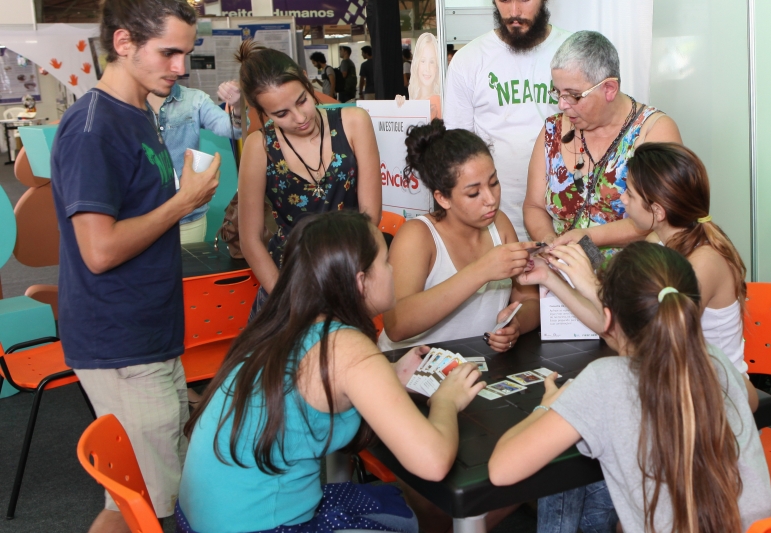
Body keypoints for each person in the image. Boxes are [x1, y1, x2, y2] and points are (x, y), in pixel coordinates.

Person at [176, 210, 485, 533]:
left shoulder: (284, 324)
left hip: (204, 521)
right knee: (408, 513)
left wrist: (388, 376)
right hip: (260, 527)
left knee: (398, 507)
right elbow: (433, 462)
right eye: (386, 262)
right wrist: (447, 400)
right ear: (360, 281)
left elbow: (311, 387)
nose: (393, 270)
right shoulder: (346, 347)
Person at [49, 0, 221, 531]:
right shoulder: (93, 128)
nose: (180, 68)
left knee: (131, 498)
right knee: (153, 505)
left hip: (146, 332)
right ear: (124, 44)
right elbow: (98, 251)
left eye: (185, 53)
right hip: (118, 340)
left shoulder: (137, 110)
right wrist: (183, 202)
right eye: (168, 53)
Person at [489, 242, 771, 532]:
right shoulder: (712, 359)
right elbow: (751, 400)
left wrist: (549, 405)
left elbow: (501, 470)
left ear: (607, 318)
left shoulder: (603, 380)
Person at [525, 143, 760, 411]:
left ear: (658, 211)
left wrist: (591, 284)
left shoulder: (704, 262)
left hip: (718, 394)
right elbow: (612, 326)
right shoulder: (656, 241)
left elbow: (647, 341)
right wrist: (549, 278)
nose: (622, 199)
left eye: (630, 194)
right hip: (673, 380)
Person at [236, 41, 381, 319]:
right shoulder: (260, 146)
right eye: (281, 114)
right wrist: (288, 300)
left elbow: (370, 215)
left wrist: (345, 279)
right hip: (286, 282)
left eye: (302, 100)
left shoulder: (354, 122)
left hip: (348, 272)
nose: (300, 117)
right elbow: (250, 239)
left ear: (307, 80)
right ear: (262, 112)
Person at [379, 119, 540, 354]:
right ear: (443, 198)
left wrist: (515, 325)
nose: (491, 199)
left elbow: (530, 301)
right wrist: (481, 270)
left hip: (474, 364)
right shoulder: (418, 236)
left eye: (494, 183)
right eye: (474, 193)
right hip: (407, 365)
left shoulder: (500, 225)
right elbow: (396, 325)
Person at [523, 31, 682, 254]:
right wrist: (550, 242)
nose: (562, 105)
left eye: (573, 95)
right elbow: (533, 206)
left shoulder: (654, 132)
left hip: (631, 279)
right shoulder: (553, 130)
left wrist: (586, 238)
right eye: (558, 92)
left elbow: (661, 217)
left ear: (609, 89)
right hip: (561, 276)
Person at [444, 0, 571, 241]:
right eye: (504, 0)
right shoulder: (468, 61)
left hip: (568, 221)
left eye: (524, 0)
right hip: (493, 225)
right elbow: (457, 153)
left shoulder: (574, 51)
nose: (514, 12)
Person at [147, 80, 242, 244]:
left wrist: (239, 107)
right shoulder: (124, 103)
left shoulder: (194, 99)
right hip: (141, 217)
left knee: (190, 269)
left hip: (188, 218)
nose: (178, 66)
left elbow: (233, 129)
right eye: (168, 53)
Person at [408, 33, 442, 119]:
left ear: (437, 67)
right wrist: (399, 106)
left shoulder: (437, 102)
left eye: (432, 62)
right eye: (423, 61)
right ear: (417, 64)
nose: (427, 68)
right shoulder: (413, 99)